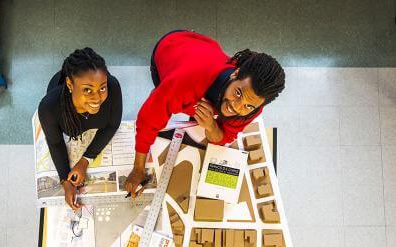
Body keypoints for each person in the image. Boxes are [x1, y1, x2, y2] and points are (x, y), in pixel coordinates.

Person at [125, 30, 285, 196]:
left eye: (248, 106)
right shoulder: (184, 83)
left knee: (201, 113)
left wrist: (211, 125)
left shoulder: (252, 106)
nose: (237, 107)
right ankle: (162, 92)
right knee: (161, 98)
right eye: (238, 93)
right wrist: (138, 168)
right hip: (170, 47)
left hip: (205, 50)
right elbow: (148, 120)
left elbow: (225, 137)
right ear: (235, 73)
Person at [38, 48, 122, 210]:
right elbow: (55, 143)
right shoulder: (49, 107)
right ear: (70, 84)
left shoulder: (113, 87)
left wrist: (84, 161)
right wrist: (65, 181)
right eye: (87, 90)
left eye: (101, 88)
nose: (97, 98)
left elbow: (112, 125)